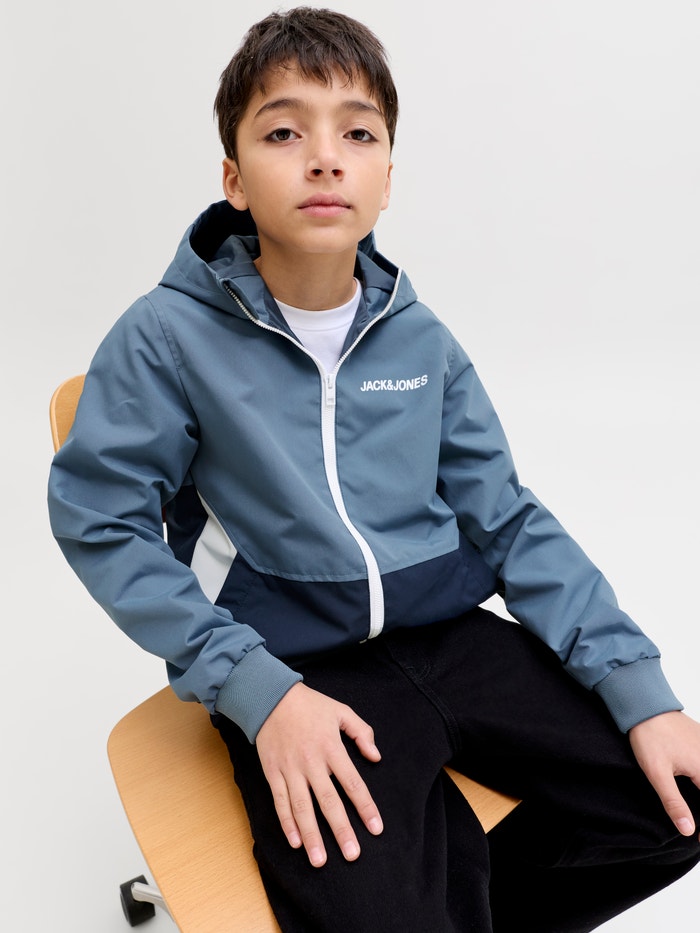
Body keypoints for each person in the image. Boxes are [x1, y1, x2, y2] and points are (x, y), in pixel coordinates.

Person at [48, 7, 700, 931]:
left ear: (387, 178)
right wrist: (257, 691)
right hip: (296, 667)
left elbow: (507, 519)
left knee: (677, 805)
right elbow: (102, 521)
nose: (325, 158)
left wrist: (641, 689)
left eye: (357, 133)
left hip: (448, 635)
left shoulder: (420, 339)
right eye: (284, 132)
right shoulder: (165, 337)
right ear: (234, 179)